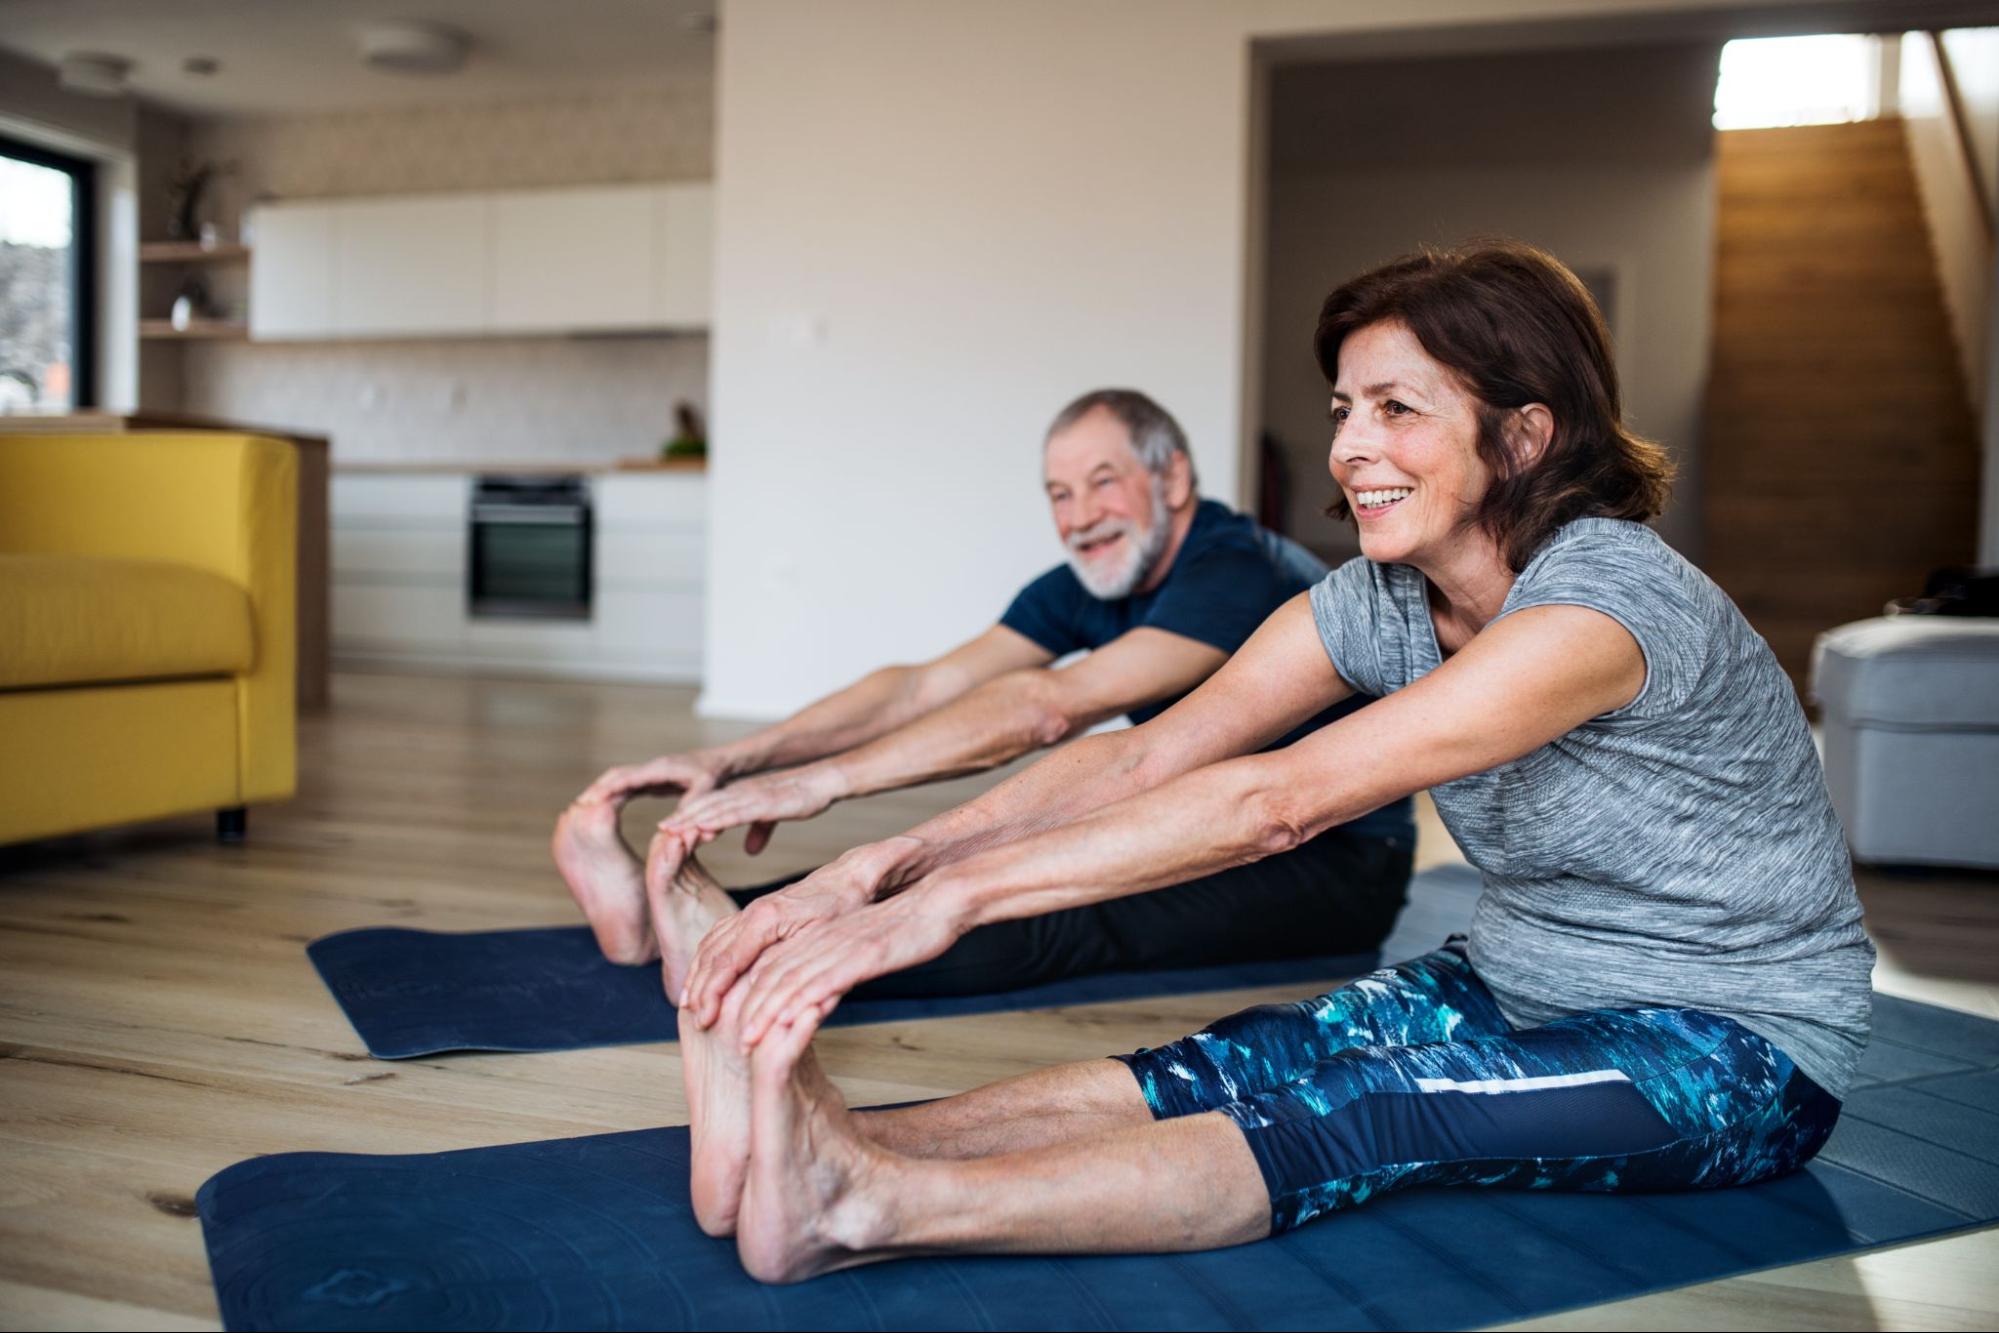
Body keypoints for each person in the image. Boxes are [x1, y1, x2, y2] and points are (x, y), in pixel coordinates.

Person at [649, 241, 1874, 1281]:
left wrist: (942, 907)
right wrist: (878, 868)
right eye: (1345, 408)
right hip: (1515, 977)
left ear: (1523, 434)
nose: (1351, 447)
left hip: (1734, 1042)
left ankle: (863, 1208)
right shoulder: (1377, 599)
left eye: (1399, 408)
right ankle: (822, 1144)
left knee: (1362, 1114)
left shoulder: (1602, 608)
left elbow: (1277, 801)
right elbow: (1150, 759)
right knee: (1231, 1059)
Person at [554, 388, 1414, 998]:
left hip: (1326, 862)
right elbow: (931, 683)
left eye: (1103, 480)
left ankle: (730, 946)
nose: (1079, 515)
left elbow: (1049, 705)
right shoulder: (1095, 573)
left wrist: (825, 782)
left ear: (1174, 481)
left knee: (1053, 901)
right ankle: (720, 924)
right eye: (1058, 493)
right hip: (1200, 811)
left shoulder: (1232, 569)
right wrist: (736, 757)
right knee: (980, 855)